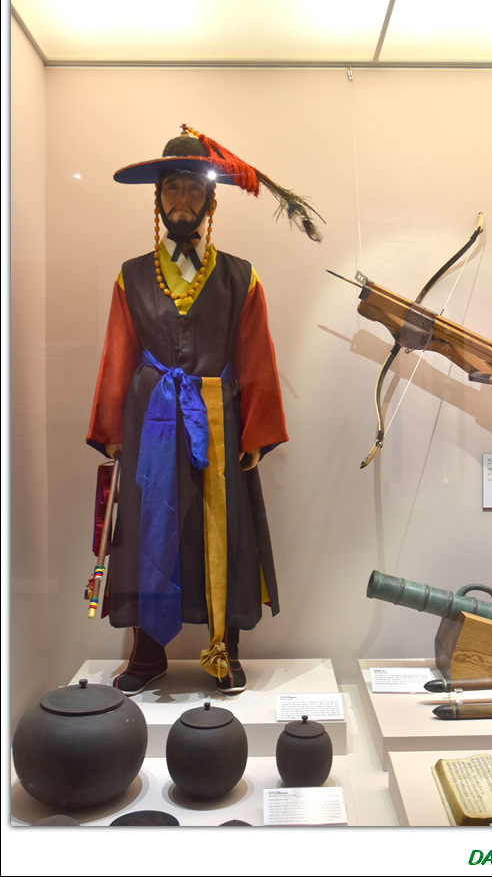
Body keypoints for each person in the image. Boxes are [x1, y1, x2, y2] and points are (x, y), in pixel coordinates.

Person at [87, 125, 322, 695]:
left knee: (224, 528)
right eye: (172, 188)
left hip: (219, 419)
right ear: (158, 199)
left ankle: (224, 649)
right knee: (150, 525)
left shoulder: (241, 275)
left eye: (194, 189)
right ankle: (147, 653)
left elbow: (256, 355)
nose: (183, 200)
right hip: (151, 421)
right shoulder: (132, 275)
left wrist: (256, 433)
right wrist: (113, 427)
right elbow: (118, 351)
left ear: (211, 202)